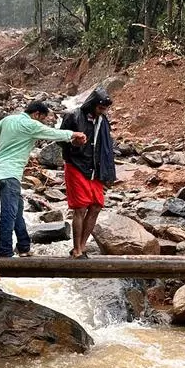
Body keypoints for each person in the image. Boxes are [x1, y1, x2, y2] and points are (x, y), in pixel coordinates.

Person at [0, 101, 86, 258]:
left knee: (17, 210)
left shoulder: (9, 120)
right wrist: (74, 134)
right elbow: (52, 133)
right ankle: (4, 253)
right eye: (42, 119)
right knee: (9, 213)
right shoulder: (31, 124)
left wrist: (7, 141)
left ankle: (24, 246)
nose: (41, 122)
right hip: (10, 171)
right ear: (36, 114)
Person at [60, 88, 117, 258]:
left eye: (104, 109)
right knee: (80, 208)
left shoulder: (102, 120)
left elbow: (106, 147)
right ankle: (77, 249)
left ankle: (83, 246)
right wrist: (73, 145)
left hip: (95, 168)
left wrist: (108, 173)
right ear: (92, 104)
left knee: (97, 206)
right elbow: (60, 139)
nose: (103, 111)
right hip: (76, 165)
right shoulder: (74, 116)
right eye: (100, 108)